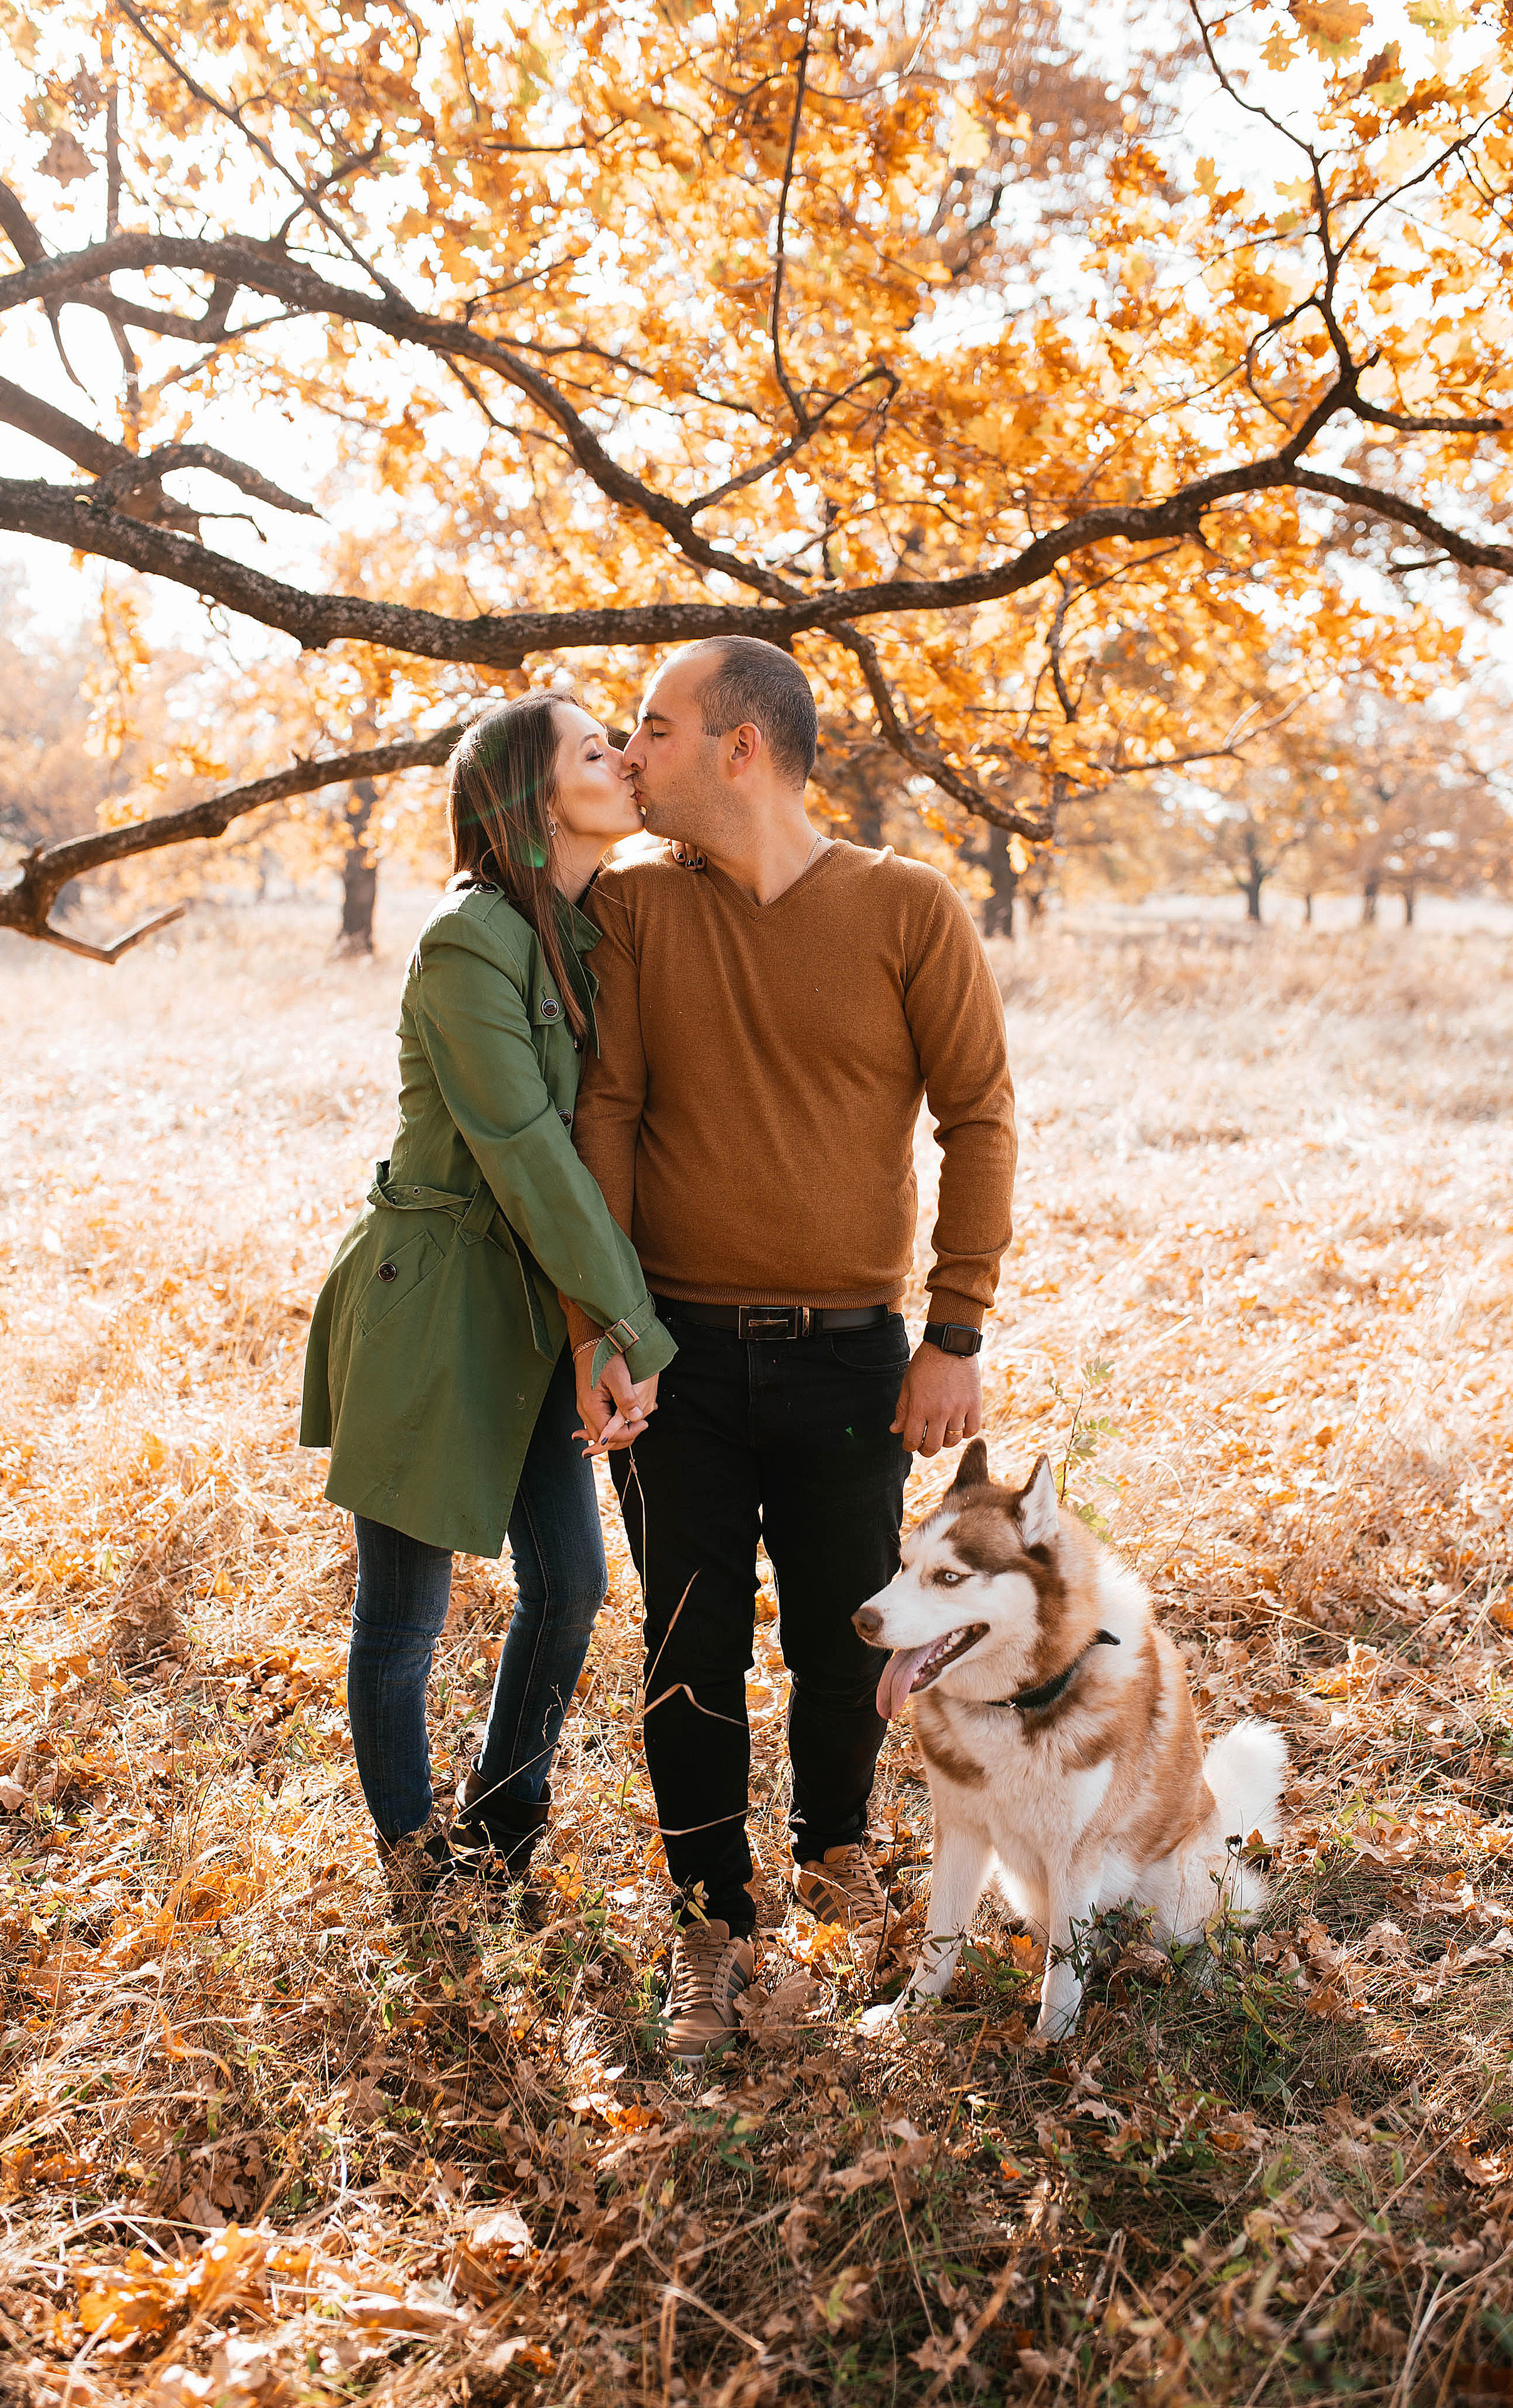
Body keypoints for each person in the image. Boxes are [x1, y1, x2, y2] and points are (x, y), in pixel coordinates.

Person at [566, 637, 1017, 2060]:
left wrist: (951, 1333)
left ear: (740, 748)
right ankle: (709, 1928)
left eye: (653, 727)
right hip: (675, 1361)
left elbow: (980, 1119)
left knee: (848, 1640)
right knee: (685, 1643)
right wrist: (604, 1332)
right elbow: (609, 1117)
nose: (629, 755)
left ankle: (835, 1873)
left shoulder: (905, 909)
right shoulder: (636, 908)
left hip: (850, 1360)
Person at [300, 695, 675, 1920]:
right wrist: (630, 1329)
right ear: (527, 798)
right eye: (591, 751)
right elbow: (523, 1150)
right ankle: (417, 1871)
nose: (620, 761)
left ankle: (502, 1828)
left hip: (529, 1303)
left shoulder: (574, 932)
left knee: (569, 1584)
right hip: (434, 1301)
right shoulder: (468, 938)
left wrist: (589, 1322)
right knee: (406, 1609)